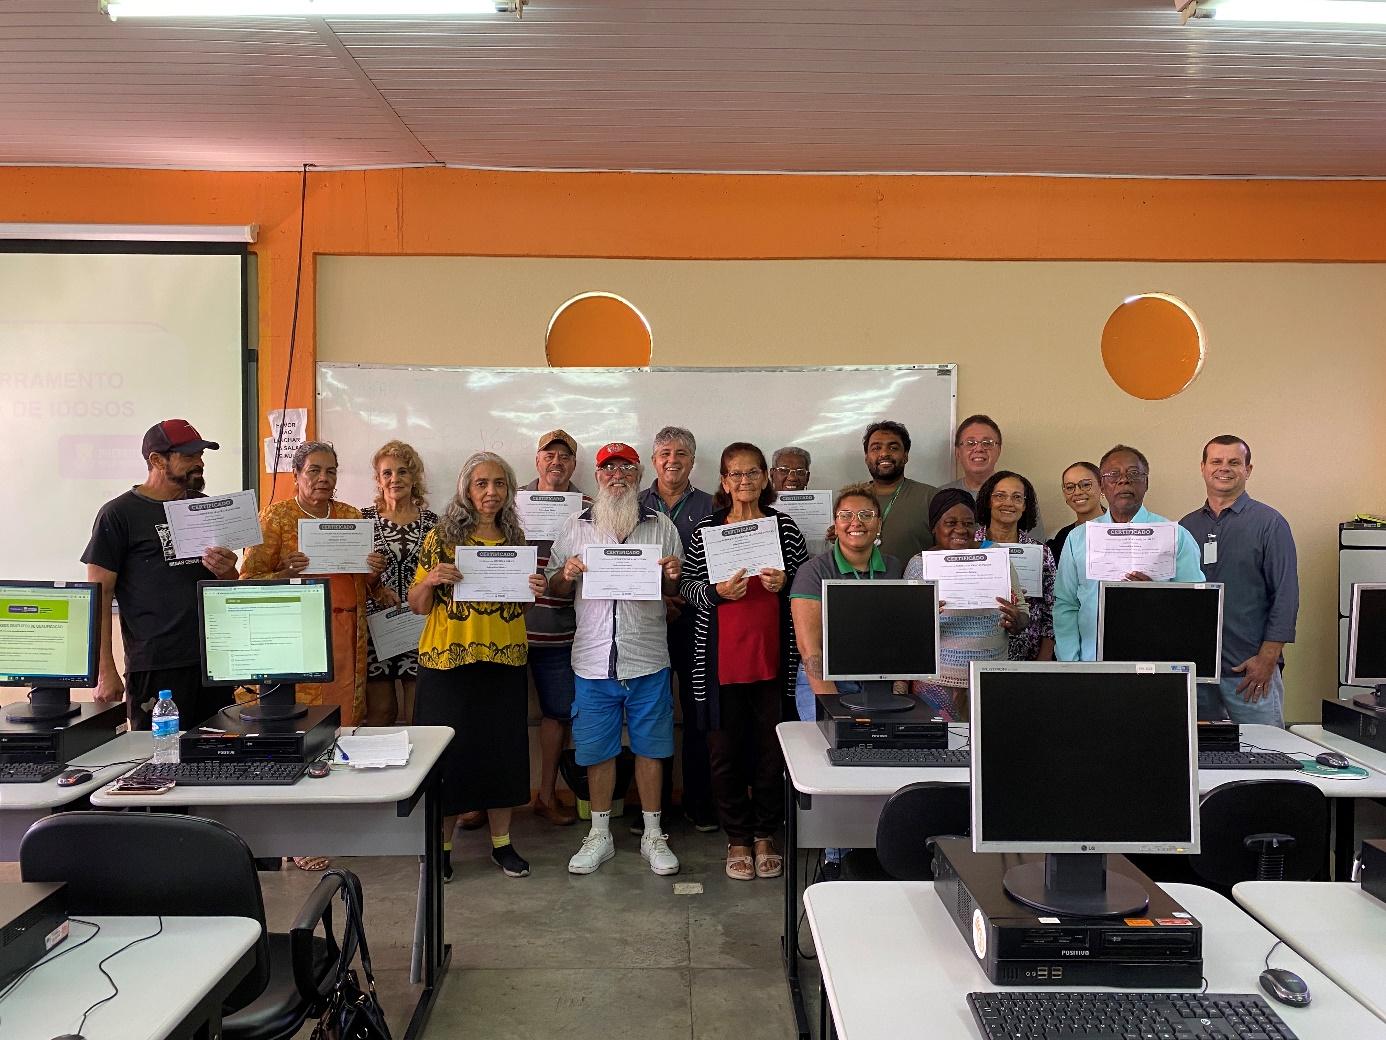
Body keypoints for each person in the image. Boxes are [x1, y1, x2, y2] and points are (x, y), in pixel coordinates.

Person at [408, 451, 546, 881]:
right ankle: (442, 847)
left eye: (500, 483)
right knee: (445, 758)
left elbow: (519, 606)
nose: (491, 492)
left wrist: (533, 589)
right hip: (449, 663)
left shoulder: (517, 540)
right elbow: (416, 605)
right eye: (482, 483)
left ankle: (502, 844)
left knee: (501, 753)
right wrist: (430, 580)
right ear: (466, 490)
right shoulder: (440, 539)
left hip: (502, 661)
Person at [550, 442, 685, 876]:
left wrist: (672, 578)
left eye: (626, 468)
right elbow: (553, 588)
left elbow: (675, 594)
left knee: (651, 749)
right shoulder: (576, 525)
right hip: (591, 658)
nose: (618, 475)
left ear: (639, 474)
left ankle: (652, 834)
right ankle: (600, 834)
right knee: (596, 751)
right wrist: (565, 574)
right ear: (598, 476)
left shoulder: (661, 525)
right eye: (609, 469)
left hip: (647, 657)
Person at [679, 442, 809, 881]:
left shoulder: (784, 528)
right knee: (724, 753)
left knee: (773, 753)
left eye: (753, 473)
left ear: (765, 478)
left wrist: (785, 582)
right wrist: (717, 593)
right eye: (735, 474)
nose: (745, 482)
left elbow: (807, 590)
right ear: (723, 481)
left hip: (774, 661)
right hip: (719, 665)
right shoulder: (705, 530)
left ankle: (764, 835)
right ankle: (736, 838)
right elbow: (689, 591)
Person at [82, 418, 239, 730]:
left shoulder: (202, 506)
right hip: (156, 666)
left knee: (220, 759)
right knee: (158, 762)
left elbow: (228, 583)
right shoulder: (119, 514)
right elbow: (99, 596)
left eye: (201, 455)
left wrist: (228, 572)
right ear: (157, 460)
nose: (200, 463)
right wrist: (104, 671)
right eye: (189, 456)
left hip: (213, 663)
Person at [789, 482, 905, 880]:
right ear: (834, 526)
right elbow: (811, 651)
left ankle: (872, 851)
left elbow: (902, 637)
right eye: (846, 516)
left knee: (880, 767)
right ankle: (835, 857)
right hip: (825, 684)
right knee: (835, 765)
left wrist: (901, 686)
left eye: (866, 515)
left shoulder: (894, 568)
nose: (856, 523)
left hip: (881, 685)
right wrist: (832, 709)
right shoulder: (814, 571)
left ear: (879, 524)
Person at [240, 440, 387, 728]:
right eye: (314, 471)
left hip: (348, 634)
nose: (323, 478)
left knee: (346, 717)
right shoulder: (275, 518)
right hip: (297, 635)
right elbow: (248, 581)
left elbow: (365, 584)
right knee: (303, 719)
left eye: (331, 472)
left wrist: (373, 572)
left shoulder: (351, 515)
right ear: (295, 474)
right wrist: (286, 573)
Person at [1180, 435, 1299, 728]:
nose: (1225, 468)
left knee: (1266, 756)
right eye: (1216, 461)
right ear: (1203, 467)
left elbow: (1286, 595)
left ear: (1248, 469)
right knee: (1200, 760)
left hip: (1249, 672)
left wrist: (1267, 658)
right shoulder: (1185, 527)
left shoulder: (1269, 523)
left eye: (1234, 462)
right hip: (1197, 673)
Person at [638, 425, 719, 832]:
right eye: (665, 453)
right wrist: (662, 597)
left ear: (693, 460)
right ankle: (654, 807)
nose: (673, 460)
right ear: (654, 460)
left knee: (697, 712)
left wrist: (681, 597)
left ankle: (698, 801)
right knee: (650, 715)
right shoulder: (633, 504)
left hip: (697, 624)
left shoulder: (712, 506)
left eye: (681, 453)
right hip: (645, 626)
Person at [1053, 445, 1204, 662]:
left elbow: (1196, 607)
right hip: (1092, 664)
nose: (1123, 480)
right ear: (1102, 486)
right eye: (1113, 475)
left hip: (1157, 663)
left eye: (1134, 474)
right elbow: (1066, 604)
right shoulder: (1078, 538)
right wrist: (1071, 663)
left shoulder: (1175, 536)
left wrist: (1158, 597)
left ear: (1146, 483)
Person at [904, 488, 1027, 720]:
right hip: (936, 684)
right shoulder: (919, 566)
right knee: (941, 751)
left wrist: (1017, 620)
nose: (960, 530)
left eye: (968, 523)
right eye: (950, 522)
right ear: (934, 526)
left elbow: (1022, 613)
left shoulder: (995, 556)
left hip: (989, 678)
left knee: (986, 749)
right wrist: (922, 619)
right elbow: (906, 634)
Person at [523, 429, 590, 826]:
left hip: (563, 631)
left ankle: (546, 796)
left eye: (564, 457)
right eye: (549, 456)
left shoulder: (588, 506)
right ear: (537, 461)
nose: (556, 462)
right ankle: (482, 799)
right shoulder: (511, 502)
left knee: (557, 716)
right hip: (511, 629)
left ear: (574, 464)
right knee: (501, 715)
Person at [360, 440, 438, 727]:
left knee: (419, 714)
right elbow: (350, 577)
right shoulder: (362, 521)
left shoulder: (433, 523)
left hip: (420, 627)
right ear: (379, 480)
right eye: (387, 473)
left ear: (414, 477)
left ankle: (420, 773)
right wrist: (373, 583)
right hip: (374, 630)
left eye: (403, 472)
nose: (395, 479)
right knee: (380, 713)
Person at [976, 470, 1054, 662]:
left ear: (1025, 505)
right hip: (977, 654)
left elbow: (1052, 612)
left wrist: (1042, 662)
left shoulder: (1041, 552)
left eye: (1017, 497)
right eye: (1000, 496)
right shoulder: (969, 546)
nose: (1008, 503)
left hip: (1028, 659)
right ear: (988, 501)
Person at [939, 414, 1045, 539]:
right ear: (957, 452)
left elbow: (1035, 548)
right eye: (970, 443)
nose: (979, 448)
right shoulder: (942, 495)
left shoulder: (1019, 493)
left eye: (987, 443)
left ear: (999, 450)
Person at [862, 420, 939, 563]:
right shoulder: (853, 499)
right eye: (876, 448)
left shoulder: (931, 497)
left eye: (893, 448)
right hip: (858, 584)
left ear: (905, 455)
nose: (884, 453)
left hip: (916, 584)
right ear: (866, 457)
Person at [1048, 461, 1105, 566]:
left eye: (1086, 485)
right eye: (1070, 487)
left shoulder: (1120, 529)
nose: (1077, 492)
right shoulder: (1063, 537)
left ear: (1102, 486)